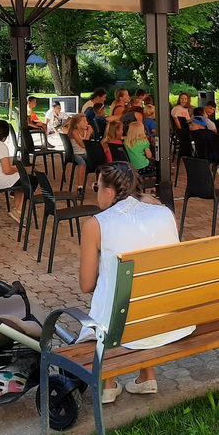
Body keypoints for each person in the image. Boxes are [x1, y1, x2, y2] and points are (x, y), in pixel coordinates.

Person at [79, 162, 193, 403]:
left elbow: (86, 285)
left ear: (108, 191)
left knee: (111, 291)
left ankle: (108, 383)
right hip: (169, 318)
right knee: (143, 285)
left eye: (96, 187)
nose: (96, 193)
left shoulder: (96, 224)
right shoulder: (165, 213)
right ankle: (147, 376)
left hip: (123, 325)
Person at [63, 114, 92, 191]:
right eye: (84, 121)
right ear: (77, 124)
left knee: (97, 160)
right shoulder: (74, 132)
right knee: (82, 163)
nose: (87, 123)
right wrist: (88, 134)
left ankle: (98, 183)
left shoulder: (85, 131)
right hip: (75, 154)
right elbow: (83, 145)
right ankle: (80, 186)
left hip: (84, 153)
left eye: (86, 121)